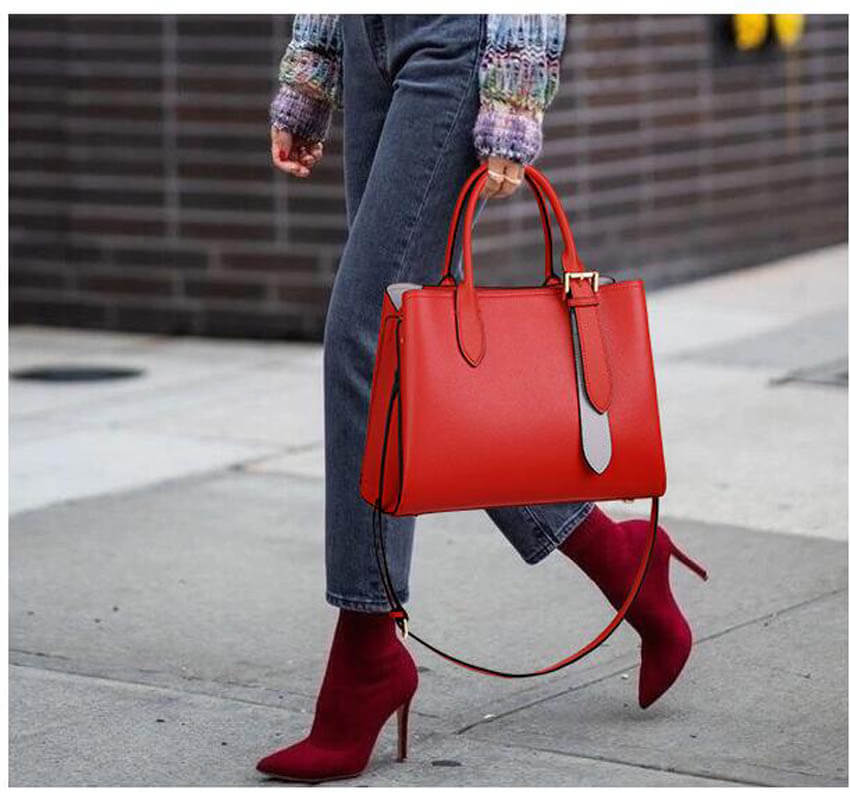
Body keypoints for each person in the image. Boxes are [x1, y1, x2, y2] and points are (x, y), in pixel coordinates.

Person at [257, 15, 706, 783]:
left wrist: (517, 85)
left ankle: (366, 653)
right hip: (370, 41)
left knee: (366, 335)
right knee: (404, 354)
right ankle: (616, 554)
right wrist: (314, 63)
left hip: (456, 39)